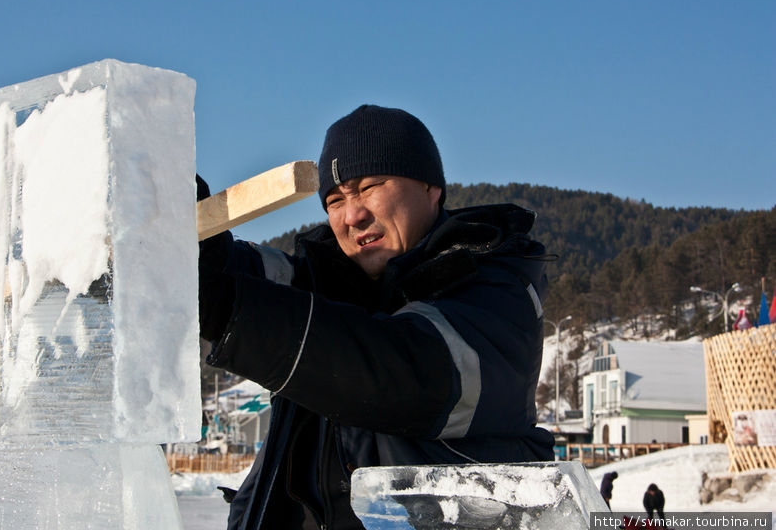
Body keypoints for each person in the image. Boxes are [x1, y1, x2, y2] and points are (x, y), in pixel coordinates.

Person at [198, 104, 555, 530]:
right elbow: (254, 277)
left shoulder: (497, 289)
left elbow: (398, 372)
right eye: (335, 200)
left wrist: (230, 310)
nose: (352, 215)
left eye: (369, 187)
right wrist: (194, 244)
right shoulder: (331, 283)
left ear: (430, 187)